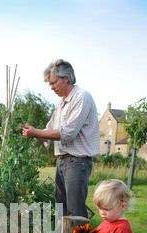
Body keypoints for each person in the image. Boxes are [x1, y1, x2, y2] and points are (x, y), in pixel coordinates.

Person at [22, 59, 100, 219]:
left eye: (53, 83)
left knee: (75, 212)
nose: (51, 88)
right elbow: (49, 132)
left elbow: (67, 133)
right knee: (61, 212)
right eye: (49, 84)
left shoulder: (81, 97)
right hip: (63, 161)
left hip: (77, 162)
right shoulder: (61, 104)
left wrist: (36, 133)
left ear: (66, 78)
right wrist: (33, 132)